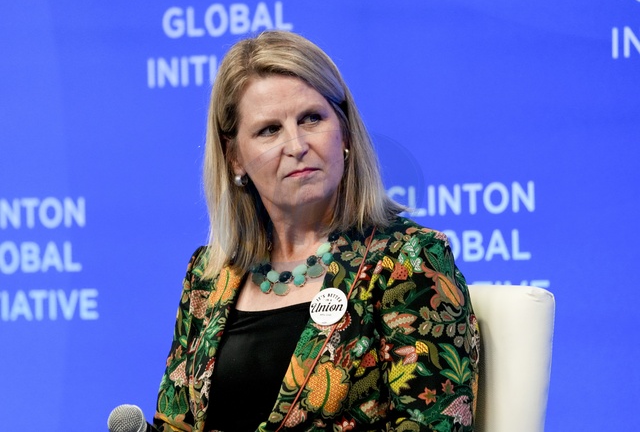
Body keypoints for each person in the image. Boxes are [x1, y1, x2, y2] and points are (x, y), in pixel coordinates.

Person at [153, 29, 480, 432]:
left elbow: (433, 425)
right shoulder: (208, 276)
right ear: (235, 157)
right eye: (269, 130)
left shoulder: (408, 258)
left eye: (311, 118)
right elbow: (174, 422)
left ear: (344, 131)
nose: (296, 145)